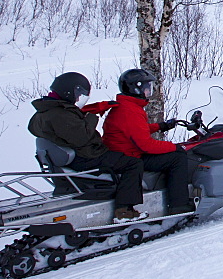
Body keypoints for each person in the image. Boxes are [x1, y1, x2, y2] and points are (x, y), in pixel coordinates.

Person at [28, 71, 148, 223]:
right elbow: (82, 137)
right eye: (79, 93)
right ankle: (124, 211)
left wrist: (90, 111)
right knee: (133, 163)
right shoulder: (60, 114)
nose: (79, 98)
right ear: (68, 91)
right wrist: (94, 116)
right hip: (86, 157)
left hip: (74, 157)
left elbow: (68, 127)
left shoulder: (46, 111)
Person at [102, 69, 194, 215]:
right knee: (178, 157)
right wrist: (174, 146)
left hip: (123, 152)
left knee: (173, 152)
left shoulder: (127, 106)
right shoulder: (130, 111)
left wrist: (160, 126)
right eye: (146, 87)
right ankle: (179, 204)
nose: (148, 91)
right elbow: (145, 145)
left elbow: (136, 130)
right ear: (136, 88)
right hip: (130, 155)